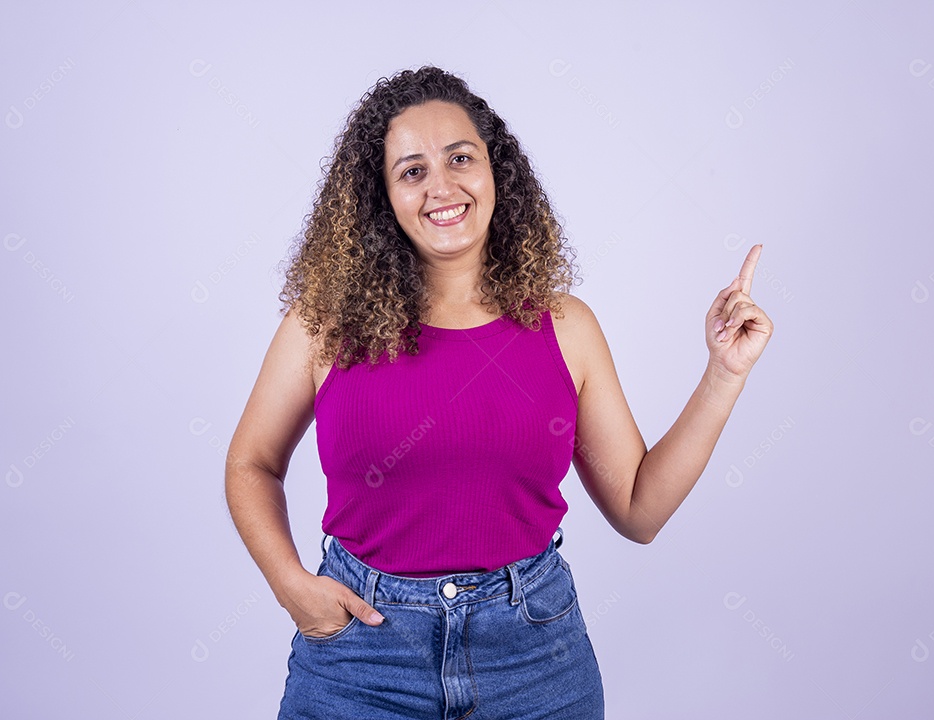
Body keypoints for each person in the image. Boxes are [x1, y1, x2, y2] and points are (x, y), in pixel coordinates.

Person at [225, 65, 772, 719]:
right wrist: (291, 586)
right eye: (412, 171)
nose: (442, 186)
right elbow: (251, 462)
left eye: (460, 158)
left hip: (533, 661)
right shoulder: (322, 325)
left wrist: (724, 373)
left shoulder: (566, 327)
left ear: (496, 171)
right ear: (381, 196)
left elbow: (639, 510)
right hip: (362, 659)